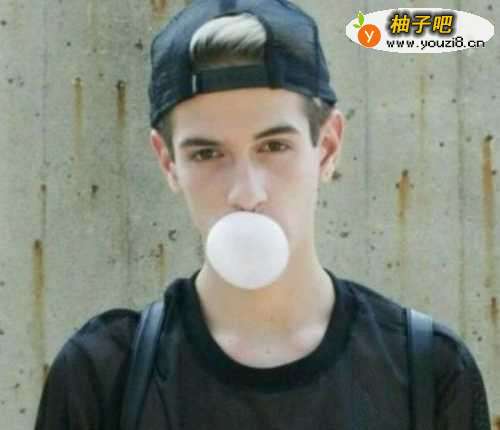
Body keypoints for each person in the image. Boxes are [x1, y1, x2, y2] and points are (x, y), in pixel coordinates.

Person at [35, 1, 491, 429]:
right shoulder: (102, 377)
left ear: (327, 147)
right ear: (168, 162)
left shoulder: (428, 370)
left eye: (274, 146)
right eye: (207, 153)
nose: (246, 192)